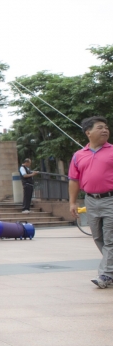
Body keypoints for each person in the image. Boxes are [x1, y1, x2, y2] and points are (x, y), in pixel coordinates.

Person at [69, 116, 113, 289]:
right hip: (91, 201)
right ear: (88, 132)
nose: (105, 130)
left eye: (106, 127)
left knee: (110, 239)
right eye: (100, 127)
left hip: (111, 199)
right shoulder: (78, 156)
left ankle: (105, 274)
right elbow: (74, 180)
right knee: (98, 237)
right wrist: (72, 203)